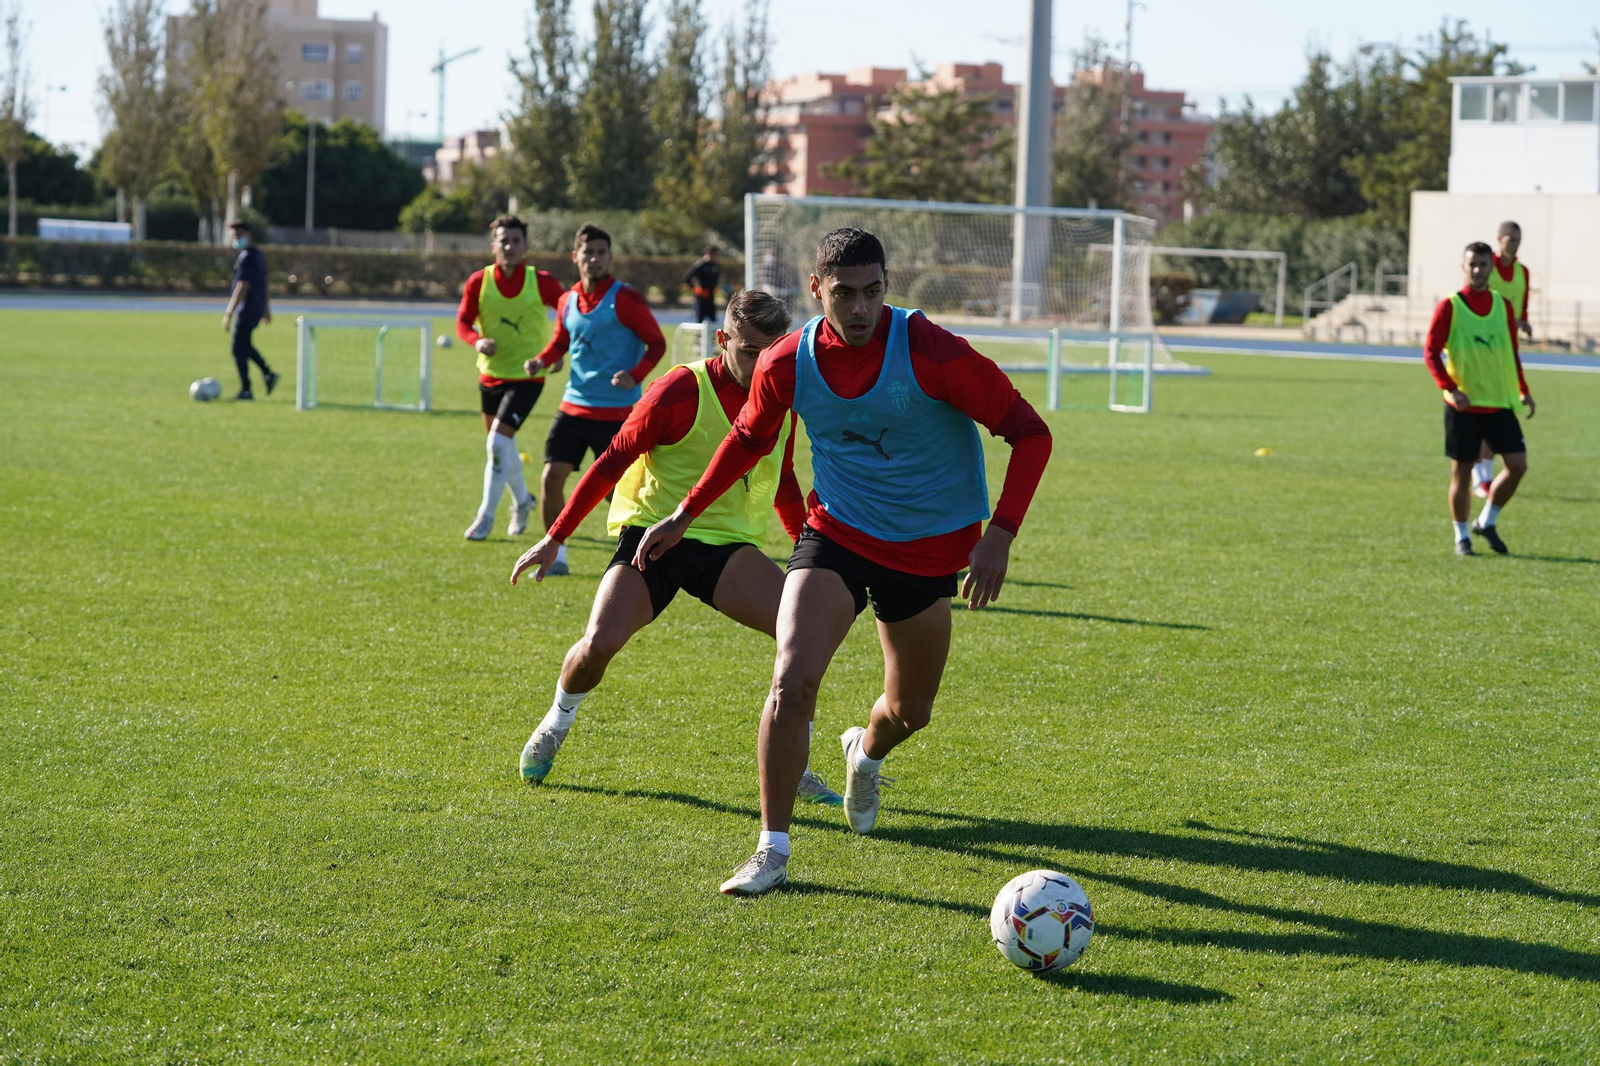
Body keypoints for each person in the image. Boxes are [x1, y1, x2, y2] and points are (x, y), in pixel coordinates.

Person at [633, 228, 1053, 895]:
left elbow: (1030, 432)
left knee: (910, 711)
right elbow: (747, 440)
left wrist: (1000, 532)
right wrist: (683, 514)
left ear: (888, 285)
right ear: (815, 289)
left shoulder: (931, 350)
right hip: (836, 536)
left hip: (929, 550)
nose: (860, 309)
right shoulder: (784, 362)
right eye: (844, 294)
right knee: (791, 682)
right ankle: (771, 850)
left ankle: (866, 751)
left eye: (873, 292)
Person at [508, 289, 841, 807]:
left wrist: (809, 557)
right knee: (598, 644)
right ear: (722, 339)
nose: (764, 362)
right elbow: (612, 460)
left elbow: (784, 484)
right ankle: (557, 719)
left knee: (801, 638)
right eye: (752, 350)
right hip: (652, 540)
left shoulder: (783, 399)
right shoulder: (678, 391)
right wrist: (557, 535)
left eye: (776, 349)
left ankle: (792, 763)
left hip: (727, 549)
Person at [525, 224, 666, 575]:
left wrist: (635, 374)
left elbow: (657, 342)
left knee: (615, 495)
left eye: (601, 252)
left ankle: (650, 553)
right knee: (550, 479)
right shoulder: (566, 300)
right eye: (588, 252)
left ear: (610, 257)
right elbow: (561, 342)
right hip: (573, 406)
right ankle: (555, 556)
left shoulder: (626, 299)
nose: (595, 259)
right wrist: (542, 360)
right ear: (576, 257)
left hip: (617, 414)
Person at [457, 215, 567, 541]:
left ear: (525, 247)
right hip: (490, 376)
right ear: (493, 246)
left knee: (496, 442)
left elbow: (569, 316)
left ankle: (485, 517)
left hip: (528, 376)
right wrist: (476, 341)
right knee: (502, 448)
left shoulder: (542, 281)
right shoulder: (478, 281)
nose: (509, 246)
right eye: (503, 240)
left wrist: (554, 354)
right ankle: (523, 501)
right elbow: (462, 323)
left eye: (516, 241)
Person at [1424, 241, 1535, 556]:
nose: (1477, 270)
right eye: (1472, 264)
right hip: (1464, 406)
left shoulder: (1503, 305)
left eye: (1483, 264)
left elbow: (1511, 352)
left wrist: (1523, 389)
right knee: (1462, 473)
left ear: (1491, 267)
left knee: (1517, 465)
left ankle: (1486, 521)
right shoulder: (1450, 306)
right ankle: (1462, 537)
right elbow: (1431, 352)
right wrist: (1450, 387)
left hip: (1499, 402)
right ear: (1463, 266)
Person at [1473, 221, 1536, 498]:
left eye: (1518, 239)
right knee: (1484, 410)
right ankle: (1480, 478)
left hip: (1506, 353)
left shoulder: (1523, 272)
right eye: (1510, 239)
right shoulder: (1486, 266)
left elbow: (1520, 307)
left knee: (1498, 409)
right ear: (1499, 239)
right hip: (1480, 350)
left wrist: (1524, 322)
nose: (1514, 244)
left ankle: (1484, 477)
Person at [221, 220, 278, 401]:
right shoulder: (258, 254)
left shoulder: (247, 256)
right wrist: (266, 308)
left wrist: (229, 312)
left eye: (238, 235)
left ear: (248, 234)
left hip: (247, 308)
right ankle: (267, 373)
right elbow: (266, 282)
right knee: (244, 345)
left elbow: (242, 286)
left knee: (238, 348)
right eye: (233, 236)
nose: (236, 239)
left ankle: (247, 389)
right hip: (257, 307)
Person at [683, 245, 721, 324]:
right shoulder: (700, 265)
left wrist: (715, 287)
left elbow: (716, 279)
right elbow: (687, 278)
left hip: (711, 297)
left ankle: (712, 336)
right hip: (701, 297)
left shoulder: (715, 266)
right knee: (700, 318)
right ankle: (698, 336)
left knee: (713, 319)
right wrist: (695, 288)